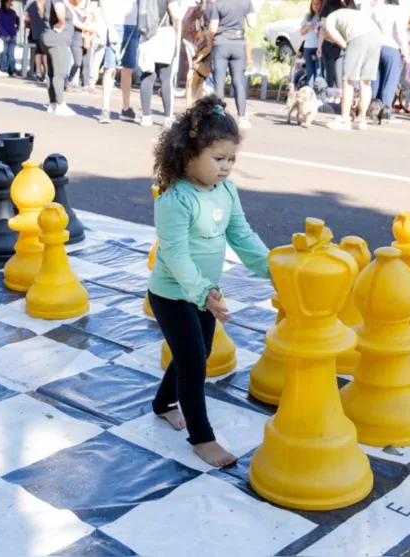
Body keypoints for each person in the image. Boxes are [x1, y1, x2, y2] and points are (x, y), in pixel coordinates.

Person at [149, 94, 271, 468]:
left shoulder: (226, 191)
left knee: (196, 353)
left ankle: (162, 403)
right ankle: (201, 438)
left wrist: (275, 267)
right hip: (172, 294)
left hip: (204, 294)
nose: (226, 168)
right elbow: (175, 255)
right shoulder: (174, 200)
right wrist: (203, 293)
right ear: (188, 154)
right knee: (193, 361)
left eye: (231, 159)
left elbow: (242, 235)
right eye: (218, 159)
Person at [323, 3, 381, 130]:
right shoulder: (349, 14)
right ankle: (361, 120)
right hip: (376, 36)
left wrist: (345, 46)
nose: (330, 40)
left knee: (348, 80)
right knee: (366, 81)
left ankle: (344, 121)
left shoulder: (329, 20)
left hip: (358, 37)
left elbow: (334, 35)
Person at [207, 0, 257, 129]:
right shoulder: (246, 3)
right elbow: (253, 24)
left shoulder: (218, 4)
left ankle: (218, 117)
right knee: (239, 82)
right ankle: (242, 118)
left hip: (221, 44)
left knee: (219, 83)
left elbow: (212, 28)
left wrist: (210, 40)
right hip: (238, 45)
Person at [137, 0, 179, 128]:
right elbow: (176, 13)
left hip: (147, 36)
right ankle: (167, 117)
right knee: (166, 78)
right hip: (164, 33)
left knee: (147, 76)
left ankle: (145, 117)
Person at [98, 0, 141, 123]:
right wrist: (110, 27)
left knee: (128, 68)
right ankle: (105, 109)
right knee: (110, 68)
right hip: (116, 24)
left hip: (133, 26)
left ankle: (126, 108)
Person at [369, 0, 408, 119]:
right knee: (389, 82)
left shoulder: (376, 10)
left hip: (376, 46)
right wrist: (405, 51)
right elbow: (400, 33)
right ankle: (386, 112)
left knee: (375, 81)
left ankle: (373, 110)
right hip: (392, 47)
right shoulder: (398, 11)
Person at [36, 0, 76, 116]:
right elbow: (58, 7)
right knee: (59, 74)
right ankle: (60, 104)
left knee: (52, 73)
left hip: (49, 37)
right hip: (58, 39)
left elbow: (42, 14)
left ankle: (53, 104)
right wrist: (62, 22)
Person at [294, 0, 321, 89]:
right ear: (311, 5)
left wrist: (316, 29)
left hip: (318, 47)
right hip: (308, 47)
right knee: (309, 71)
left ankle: (318, 93)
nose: (316, 6)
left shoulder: (323, 16)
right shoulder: (308, 16)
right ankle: (309, 91)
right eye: (314, 4)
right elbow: (302, 32)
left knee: (318, 70)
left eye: (318, 4)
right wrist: (308, 27)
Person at [0, 0, 20, 76]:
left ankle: (12, 70)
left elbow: (17, 19)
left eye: (10, 2)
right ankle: (3, 69)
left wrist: (17, 28)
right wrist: (6, 34)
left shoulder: (13, 12)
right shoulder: (0, 12)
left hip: (12, 35)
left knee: (11, 54)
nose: (10, 3)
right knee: (4, 53)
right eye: (8, 2)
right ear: (4, 3)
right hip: (3, 36)